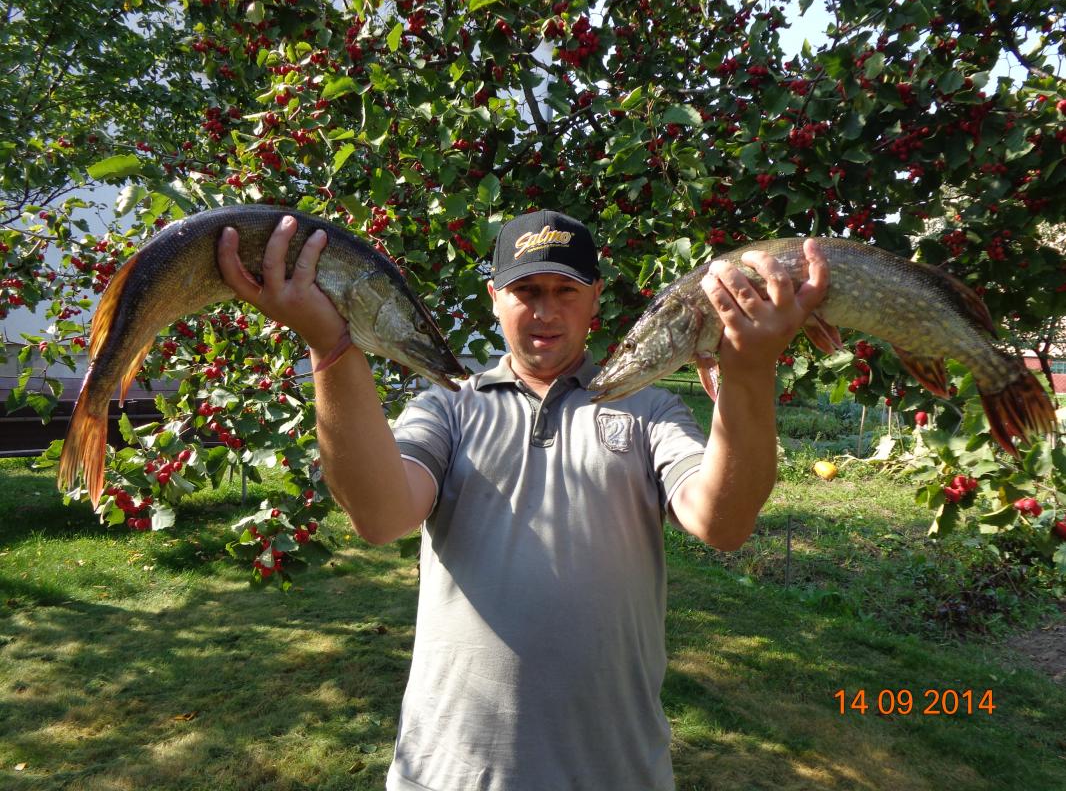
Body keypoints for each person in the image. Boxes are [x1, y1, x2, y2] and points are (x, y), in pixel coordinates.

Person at [217, 209, 829, 791]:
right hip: (450, 773)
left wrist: (749, 373)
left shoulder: (648, 407)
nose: (545, 311)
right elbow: (381, 516)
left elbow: (722, 521)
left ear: (596, 297)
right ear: (494, 297)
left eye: (566, 291)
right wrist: (330, 346)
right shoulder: (448, 404)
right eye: (526, 290)